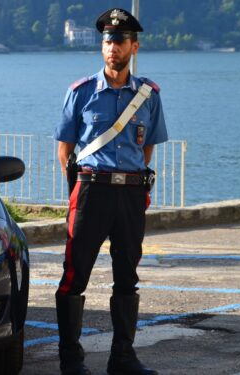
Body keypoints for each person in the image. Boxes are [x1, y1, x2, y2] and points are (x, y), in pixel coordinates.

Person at [53, 8, 167, 375]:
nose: (111, 47)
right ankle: (70, 358)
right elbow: (64, 150)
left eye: (119, 41)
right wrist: (78, 191)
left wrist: (133, 180)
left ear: (134, 46)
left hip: (130, 195)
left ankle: (123, 357)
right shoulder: (80, 92)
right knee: (75, 273)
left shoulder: (148, 95)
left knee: (127, 275)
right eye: (106, 41)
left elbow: (146, 147)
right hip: (91, 192)